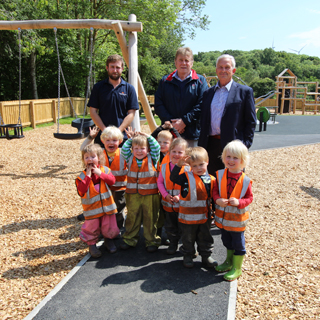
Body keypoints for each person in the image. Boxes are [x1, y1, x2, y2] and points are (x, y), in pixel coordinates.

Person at [198, 54, 257, 176]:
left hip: (233, 146)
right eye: (220, 67)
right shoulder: (208, 93)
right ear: (216, 70)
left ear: (233, 70)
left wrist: (245, 145)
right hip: (210, 145)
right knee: (212, 183)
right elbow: (203, 119)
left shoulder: (244, 92)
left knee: (233, 183)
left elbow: (250, 121)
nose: (223, 70)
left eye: (227, 67)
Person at [212, 140, 253, 281]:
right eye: (228, 156)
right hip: (223, 220)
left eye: (235, 158)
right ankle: (229, 261)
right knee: (226, 241)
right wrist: (217, 199)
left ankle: (237, 267)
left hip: (237, 221)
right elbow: (215, 191)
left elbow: (249, 198)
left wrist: (239, 202)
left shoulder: (245, 180)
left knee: (238, 244)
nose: (231, 160)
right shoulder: (220, 175)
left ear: (242, 161)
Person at [170, 147, 217, 268]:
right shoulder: (185, 177)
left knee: (205, 237)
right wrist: (179, 166)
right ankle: (188, 255)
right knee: (188, 238)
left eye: (201, 164)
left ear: (207, 162)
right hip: (187, 219)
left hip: (205, 218)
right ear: (190, 166)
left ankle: (206, 256)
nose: (198, 168)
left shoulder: (212, 180)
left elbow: (214, 198)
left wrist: (216, 214)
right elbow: (173, 178)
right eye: (194, 166)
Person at [154, 47, 208, 147]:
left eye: (187, 60)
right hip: (169, 135)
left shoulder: (200, 81)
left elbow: (202, 105)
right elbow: (158, 103)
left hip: (192, 135)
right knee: (169, 162)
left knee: (191, 162)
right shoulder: (165, 81)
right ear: (175, 62)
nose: (183, 63)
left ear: (192, 62)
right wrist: (173, 124)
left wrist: (184, 121)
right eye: (181, 60)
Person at [120, 130, 161, 253]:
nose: (138, 151)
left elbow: (156, 146)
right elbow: (124, 149)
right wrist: (131, 139)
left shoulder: (153, 157)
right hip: (133, 194)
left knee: (151, 217)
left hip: (150, 194)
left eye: (142, 148)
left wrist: (147, 136)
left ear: (148, 149)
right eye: (136, 148)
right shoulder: (129, 157)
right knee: (132, 216)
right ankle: (129, 239)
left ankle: (151, 241)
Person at [76, 144, 119, 258]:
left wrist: (100, 174)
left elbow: (112, 181)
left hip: (107, 207)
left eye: (93, 157)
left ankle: (108, 240)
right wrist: (88, 176)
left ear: (99, 158)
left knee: (108, 225)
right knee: (91, 227)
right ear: (83, 160)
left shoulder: (105, 170)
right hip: (92, 210)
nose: (90, 159)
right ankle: (91, 244)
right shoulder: (82, 176)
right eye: (87, 157)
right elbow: (81, 191)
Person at [88, 54, 140, 147]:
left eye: (118, 67)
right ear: (107, 68)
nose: (115, 70)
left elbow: (131, 113)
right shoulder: (98, 87)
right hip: (102, 136)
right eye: (112, 67)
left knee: (122, 161)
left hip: (122, 137)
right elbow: (93, 111)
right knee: (101, 161)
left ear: (122, 69)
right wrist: (105, 131)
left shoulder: (129, 88)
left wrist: (118, 131)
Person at [157, 137, 189, 255]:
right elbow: (160, 182)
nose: (176, 154)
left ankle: (187, 246)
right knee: (170, 226)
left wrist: (180, 196)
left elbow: (191, 185)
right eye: (173, 151)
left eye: (180, 152)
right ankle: (173, 243)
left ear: (185, 154)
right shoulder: (164, 166)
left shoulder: (188, 168)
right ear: (169, 152)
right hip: (168, 204)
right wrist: (165, 195)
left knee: (185, 228)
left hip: (183, 205)